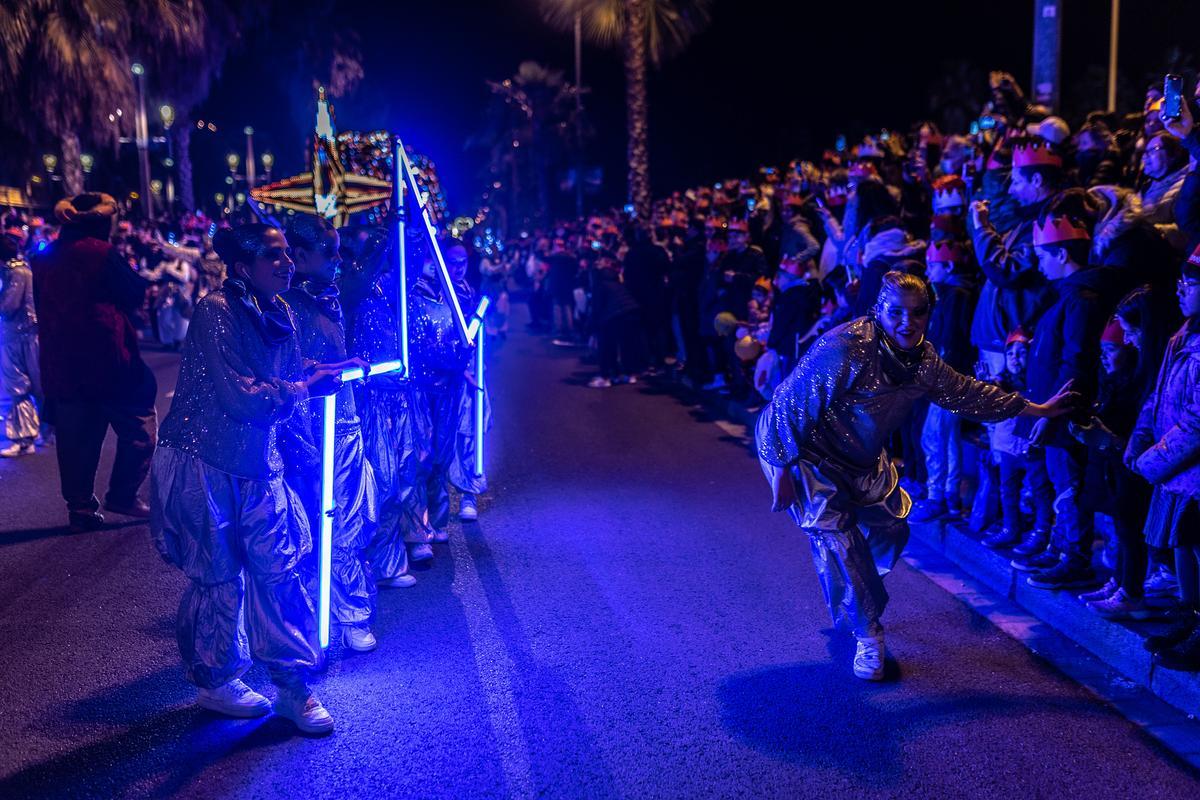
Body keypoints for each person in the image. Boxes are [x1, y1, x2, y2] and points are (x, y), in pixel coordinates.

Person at [756, 271, 1078, 680]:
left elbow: (967, 393)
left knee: (891, 527)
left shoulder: (923, 360)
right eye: (896, 312)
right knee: (841, 545)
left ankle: (858, 596)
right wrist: (781, 468)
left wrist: (1037, 408)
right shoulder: (844, 348)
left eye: (918, 313)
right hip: (806, 454)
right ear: (878, 310)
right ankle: (867, 633)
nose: (907, 322)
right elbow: (788, 405)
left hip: (863, 458)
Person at [149, 224, 344, 734]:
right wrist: (304, 387)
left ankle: (293, 687)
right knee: (217, 576)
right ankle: (217, 682)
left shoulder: (278, 310)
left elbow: (284, 375)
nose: (285, 263)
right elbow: (241, 395)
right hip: (204, 461)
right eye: (273, 256)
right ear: (241, 268)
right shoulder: (215, 310)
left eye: (286, 255)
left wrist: (325, 372)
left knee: (279, 571)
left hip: (258, 462)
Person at [282, 214, 380, 653]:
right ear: (299, 256)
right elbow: (289, 369)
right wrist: (341, 369)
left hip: (346, 425)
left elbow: (373, 270)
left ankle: (352, 612)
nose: (338, 259)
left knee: (351, 520)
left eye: (340, 249)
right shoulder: (284, 306)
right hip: (305, 433)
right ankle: (306, 625)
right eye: (329, 251)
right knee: (308, 527)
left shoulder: (334, 295)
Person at [31, 193, 157, 532]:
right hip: (108, 359)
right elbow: (133, 293)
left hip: (62, 362)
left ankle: (81, 507)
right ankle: (123, 494)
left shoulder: (42, 258)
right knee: (139, 426)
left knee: (75, 440)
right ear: (103, 221)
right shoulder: (100, 253)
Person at [1017, 207, 1121, 590]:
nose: (1037, 261)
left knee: (1068, 484)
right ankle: (1061, 548)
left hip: (1062, 411)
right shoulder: (1066, 294)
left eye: (1043, 253)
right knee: (1057, 480)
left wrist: (1053, 410)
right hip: (1049, 407)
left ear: (1062, 254)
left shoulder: (1082, 298)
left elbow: (1076, 359)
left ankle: (1074, 558)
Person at [1126, 248, 1200, 671]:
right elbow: (1158, 396)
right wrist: (1138, 439)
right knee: (1184, 547)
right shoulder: (1183, 334)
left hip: (1189, 469)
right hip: (1178, 470)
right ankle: (1189, 620)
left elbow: (1196, 421)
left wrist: (1152, 461)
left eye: (1190, 284)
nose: (1180, 289)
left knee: (1196, 546)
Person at [910, 241, 978, 521]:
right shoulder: (950, 294)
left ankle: (939, 496)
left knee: (935, 437)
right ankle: (949, 497)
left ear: (948, 266)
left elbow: (951, 340)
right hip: (949, 376)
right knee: (944, 438)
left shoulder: (956, 295)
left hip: (948, 379)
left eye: (933, 264)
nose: (928, 270)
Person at [0, 225, 41, 457]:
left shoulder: (13, 272)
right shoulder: (23, 267)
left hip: (15, 335)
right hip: (27, 334)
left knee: (17, 385)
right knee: (30, 385)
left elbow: (9, 305)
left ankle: (23, 438)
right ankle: (32, 434)